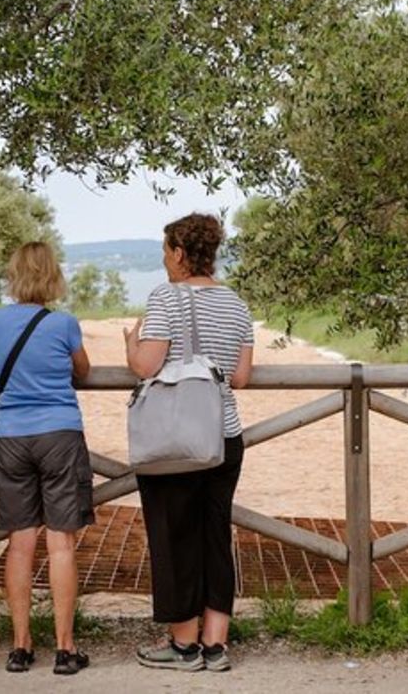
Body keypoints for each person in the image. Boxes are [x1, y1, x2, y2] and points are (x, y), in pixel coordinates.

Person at [124, 213, 254, 673]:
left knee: (174, 536)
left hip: (176, 440)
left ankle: (183, 646)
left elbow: (146, 365)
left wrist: (130, 343)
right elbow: (239, 377)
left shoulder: (165, 297)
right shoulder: (236, 303)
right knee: (215, 536)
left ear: (179, 253)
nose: (163, 261)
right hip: (224, 436)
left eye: (165, 252)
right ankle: (216, 645)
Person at [0, 242, 94, 676]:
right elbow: (81, 370)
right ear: (53, 277)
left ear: (14, 276)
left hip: (10, 435)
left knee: (20, 543)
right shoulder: (64, 323)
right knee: (61, 541)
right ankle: (65, 649)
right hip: (59, 433)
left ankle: (21, 646)